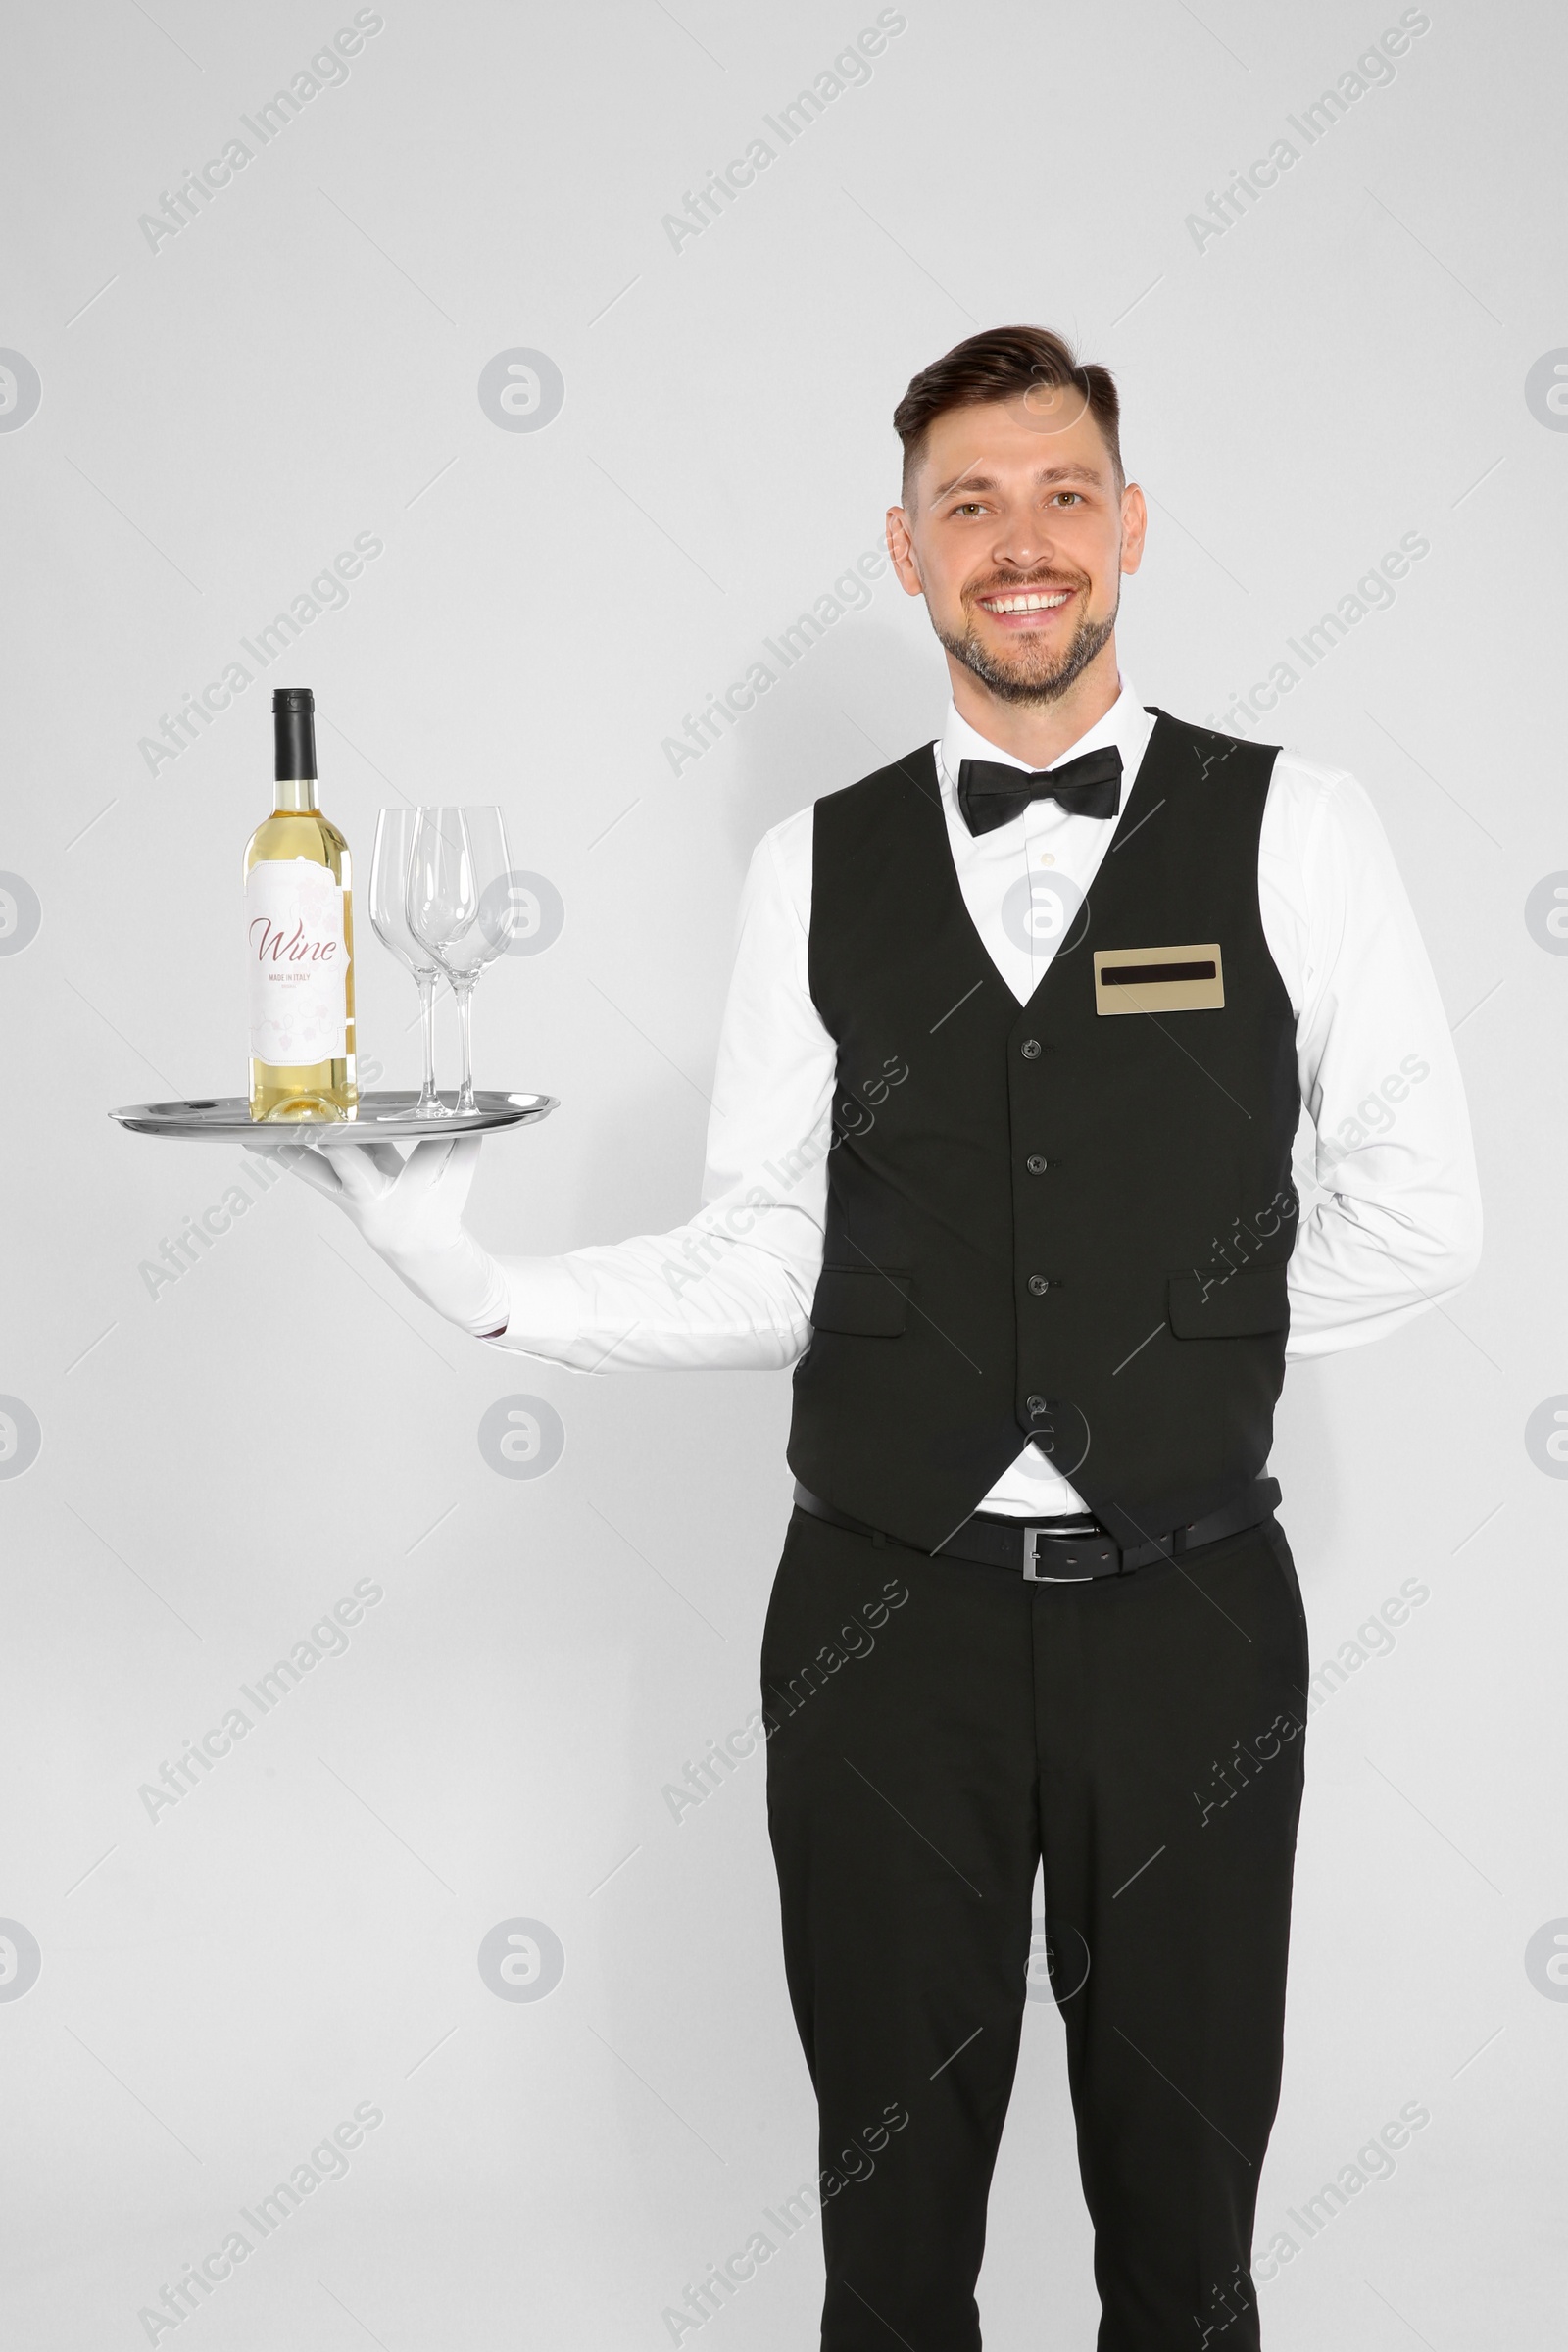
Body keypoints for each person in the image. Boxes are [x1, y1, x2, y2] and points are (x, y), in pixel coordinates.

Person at [274, 327, 1481, 2351]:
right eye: (968, 507)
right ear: (906, 555)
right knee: (888, 2232)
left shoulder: (1295, 827)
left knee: (1186, 2240)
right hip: (876, 1624)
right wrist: (474, 1279)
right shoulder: (805, 865)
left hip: (1186, 1622)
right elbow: (762, 1260)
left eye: (1061, 495)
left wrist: (1138, 1351)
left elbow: (1417, 1222)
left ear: (1129, 529)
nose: (1022, 545)